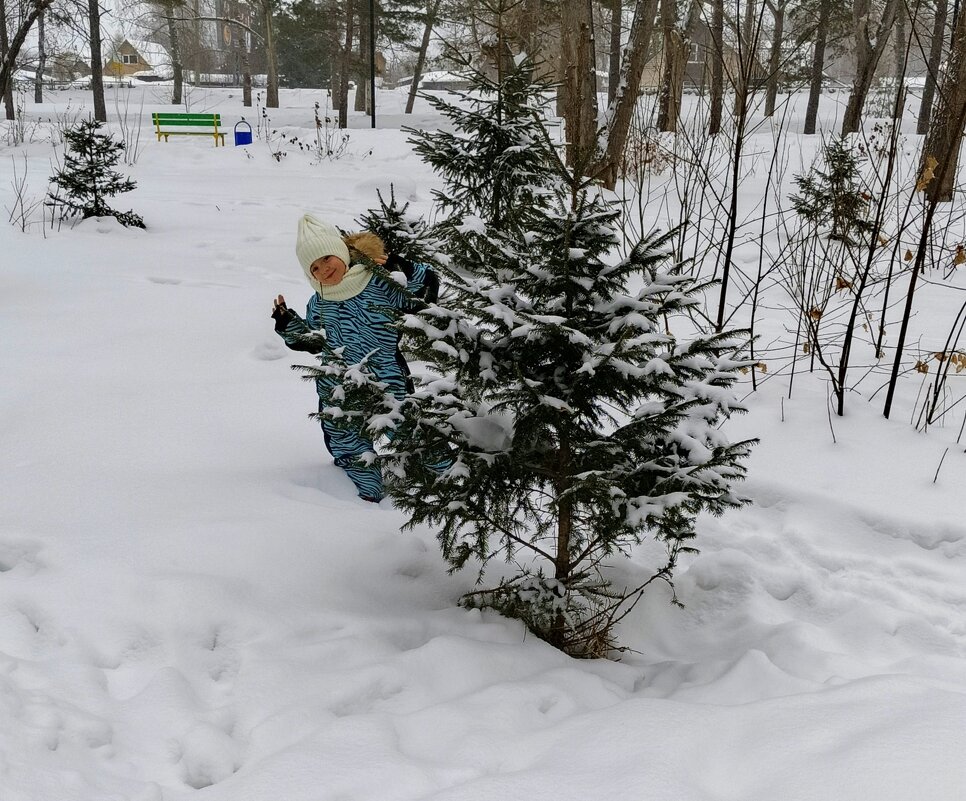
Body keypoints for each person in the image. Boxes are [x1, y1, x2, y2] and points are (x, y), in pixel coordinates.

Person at [271, 213, 438, 503]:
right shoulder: (319, 302)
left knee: (407, 429)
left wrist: (402, 268)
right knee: (345, 437)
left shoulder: (378, 282)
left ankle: (443, 480)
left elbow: (422, 296)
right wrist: (289, 324)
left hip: (386, 377)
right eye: (314, 268)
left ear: (341, 253)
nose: (323, 269)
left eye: (326, 258)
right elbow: (315, 342)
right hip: (338, 385)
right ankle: (367, 492)